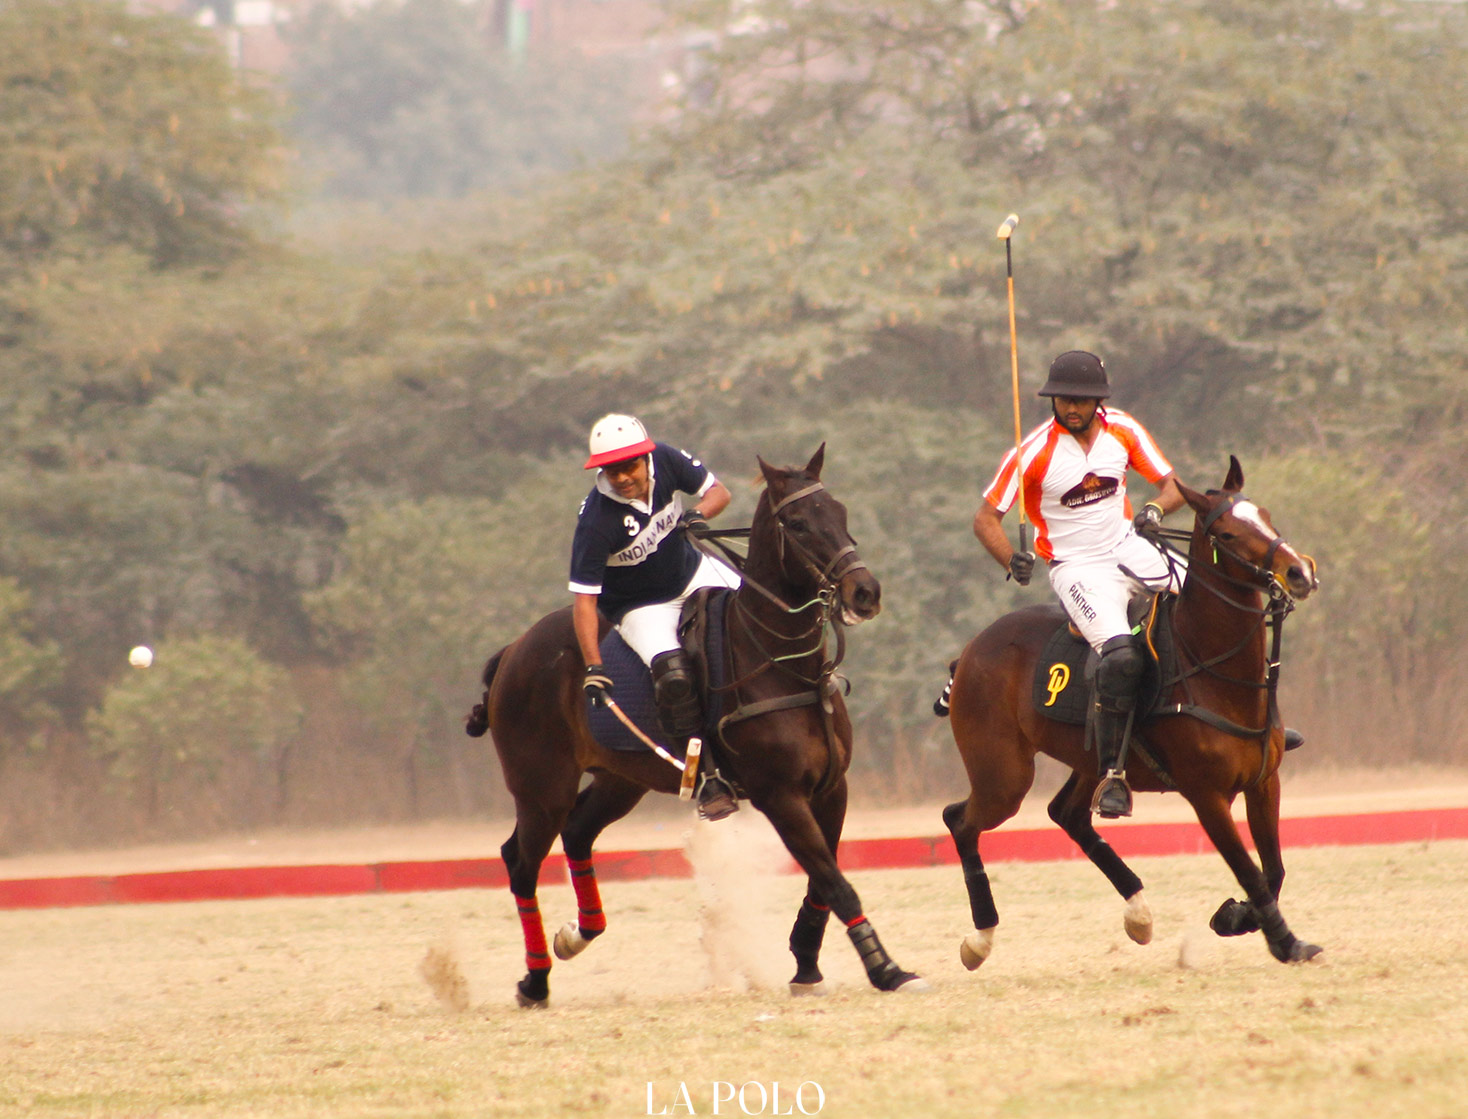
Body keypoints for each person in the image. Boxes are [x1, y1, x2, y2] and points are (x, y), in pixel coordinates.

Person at [972, 351, 1184, 818]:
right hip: (1078, 568)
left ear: (1098, 402)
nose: (1072, 408)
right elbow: (986, 518)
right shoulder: (1033, 452)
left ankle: (1250, 723)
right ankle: (1112, 775)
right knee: (1121, 654)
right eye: (1065, 399)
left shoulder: (1123, 430)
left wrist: (1154, 510)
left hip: (1129, 547)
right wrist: (1010, 558)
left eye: (1082, 400)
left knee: (1208, 604)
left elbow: (1171, 487)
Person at [569, 413, 741, 819]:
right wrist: (594, 666)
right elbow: (583, 602)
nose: (622, 477)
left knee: (758, 617)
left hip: (691, 571)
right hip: (640, 605)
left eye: (629, 466)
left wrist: (699, 515)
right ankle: (707, 779)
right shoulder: (596, 521)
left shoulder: (664, 459)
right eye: (611, 470)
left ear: (645, 457)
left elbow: (719, 492)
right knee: (675, 676)